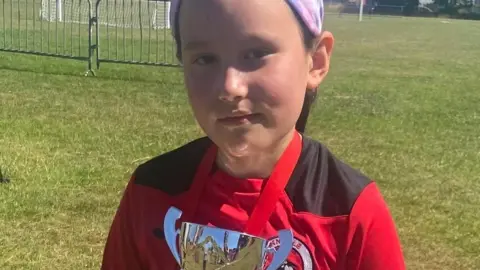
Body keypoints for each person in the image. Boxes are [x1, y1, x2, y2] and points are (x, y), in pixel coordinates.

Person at [101, 0, 406, 269]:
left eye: (256, 53)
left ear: (315, 62)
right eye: (205, 59)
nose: (230, 86)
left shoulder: (348, 212)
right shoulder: (152, 191)